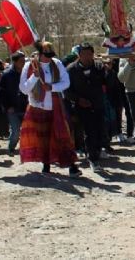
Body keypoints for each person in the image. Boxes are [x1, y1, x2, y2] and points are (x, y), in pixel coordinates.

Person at [19, 42, 81, 176]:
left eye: (50, 55)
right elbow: (23, 88)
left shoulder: (57, 64)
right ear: (40, 54)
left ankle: (71, 166)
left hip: (55, 105)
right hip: (37, 107)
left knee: (62, 135)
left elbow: (66, 82)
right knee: (43, 138)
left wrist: (52, 87)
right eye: (46, 55)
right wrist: (34, 77)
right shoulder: (29, 65)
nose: (49, 58)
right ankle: (46, 164)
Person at [65, 42, 107, 172]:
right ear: (79, 55)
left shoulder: (99, 67)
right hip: (81, 107)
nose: (87, 57)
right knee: (90, 132)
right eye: (84, 54)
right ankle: (93, 159)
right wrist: (78, 100)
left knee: (100, 132)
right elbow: (66, 91)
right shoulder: (71, 70)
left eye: (89, 54)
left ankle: (95, 152)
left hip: (98, 105)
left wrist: (108, 71)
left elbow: (108, 83)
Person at [0, 51, 28, 156]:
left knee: (27, 130)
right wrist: (7, 106)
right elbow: (0, 92)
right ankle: (11, 147)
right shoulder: (7, 75)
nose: (23, 63)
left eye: (24, 61)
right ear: (15, 62)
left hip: (25, 107)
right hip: (12, 108)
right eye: (21, 61)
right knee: (16, 131)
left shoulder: (27, 74)